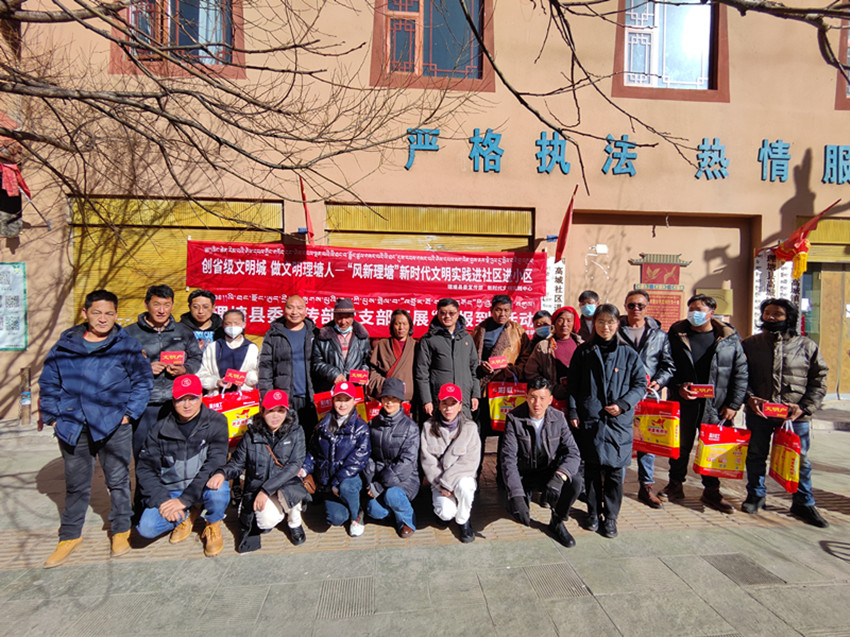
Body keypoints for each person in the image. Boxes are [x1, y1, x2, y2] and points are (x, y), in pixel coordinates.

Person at [39, 290, 154, 568]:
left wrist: (128, 414)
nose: (103, 318)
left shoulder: (127, 346)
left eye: (109, 313)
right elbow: (49, 383)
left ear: (116, 315)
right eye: (97, 312)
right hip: (73, 425)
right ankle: (70, 535)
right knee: (76, 485)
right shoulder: (65, 346)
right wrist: (53, 417)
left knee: (118, 482)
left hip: (113, 425)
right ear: (85, 313)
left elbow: (142, 381)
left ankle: (121, 530)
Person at [741, 298, 829, 527]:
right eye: (767, 313)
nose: (770, 317)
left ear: (788, 317)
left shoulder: (807, 346)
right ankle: (755, 495)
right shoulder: (750, 344)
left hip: (794, 415)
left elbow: (819, 380)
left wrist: (805, 407)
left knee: (800, 460)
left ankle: (803, 502)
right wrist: (749, 398)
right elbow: (740, 376)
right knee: (756, 455)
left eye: (777, 313)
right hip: (760, 413)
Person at [665, 294, 748, 513]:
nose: (694, 313)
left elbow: (740, 373)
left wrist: (734, 405)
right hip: (684, 402)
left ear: (711, 312)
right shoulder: (677, 334)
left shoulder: (728, 338)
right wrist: (678, 387)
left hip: (717, 405)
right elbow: (666, 366)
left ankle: (712, 491)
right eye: (691, 309)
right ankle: (675, 485)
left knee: (712, 448)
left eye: (699, 309)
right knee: (679, 447)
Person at [568, 304, 645, 538]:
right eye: (601, 322)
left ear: (618, 324)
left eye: (610, 322)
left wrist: (623, 404)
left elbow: (640, 384)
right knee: (591, 470)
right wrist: (574, 412)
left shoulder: (628, 353)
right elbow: (573, 385)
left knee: (614, 473)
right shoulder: (584, 352)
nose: (606, 327)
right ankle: (593, 513)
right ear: (594, 324)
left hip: (617, 422)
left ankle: (611, 518)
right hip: (591, 419)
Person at [135, 375, 230, 557]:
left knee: (219, 490)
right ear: (173, 401)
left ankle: (213, 523)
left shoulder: (217, 421)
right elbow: (145, 469)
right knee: (147, 528)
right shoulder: (159, 429)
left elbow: (215, 462)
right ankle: (186, 514)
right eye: (181, 399)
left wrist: (184, 500)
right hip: (172, 490)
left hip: (203, 486)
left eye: (192, 398)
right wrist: (163, 501)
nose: (187, 405)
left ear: (201, 397)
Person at [208, 389, 309, 552]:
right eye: (271, 410)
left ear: (287, 412)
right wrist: (222, 473)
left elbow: (294, 465)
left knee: (292, 493)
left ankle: (294, 523)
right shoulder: (251, 434)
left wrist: (265, 491)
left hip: (285, 484)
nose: (276, 416)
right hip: (259, 486)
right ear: (262, 411)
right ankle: (278, 511)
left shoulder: (296, 432)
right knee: (265, 522)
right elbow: (237, 464)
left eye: (281, 410)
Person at [500, 377, 582, 547]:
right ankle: (522, 497)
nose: (537, 403)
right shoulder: (514, 418)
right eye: (533, 397)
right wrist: (516, 494)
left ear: (550, 400)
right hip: (524, 473)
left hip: (548, 471)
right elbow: (508, 459)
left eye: (542, 398)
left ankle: (557, 521)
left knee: (575, 481)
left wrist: (560, 476)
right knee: (517, 510)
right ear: (526, 397)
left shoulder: (558, 417)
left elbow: (573, 452)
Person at [125, 284, 202, 458]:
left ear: (172, 305)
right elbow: (119, 365)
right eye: (156, 305)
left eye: (166, 305)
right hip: (144, 404)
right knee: (144, 453)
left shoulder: (183, 331)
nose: (162, 310)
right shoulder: (130, 333)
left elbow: (196, 357)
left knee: (173, 455)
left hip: (175, 403)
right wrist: (144, 369)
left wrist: (185, 369)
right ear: (146, 304)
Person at [616, 290, 675, 508]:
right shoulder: (616, 332)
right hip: (622, 395)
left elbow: (668, 365)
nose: (636, 309)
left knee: (647, 443)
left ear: (647, 307)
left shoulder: (659, 336)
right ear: (625, 307)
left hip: (649, 397)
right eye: (631, 305)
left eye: (640, 305)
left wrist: (658, 382)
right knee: (621, 439)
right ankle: (616, 487)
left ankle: (646, 487)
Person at [302, 381, 371, 536]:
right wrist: (305, 468)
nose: (342, 404)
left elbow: (358, 460)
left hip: (350, 478)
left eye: (347, 400)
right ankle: (347, 503)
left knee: (346, 487)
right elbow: (313, 452)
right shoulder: (322, 424)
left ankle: (357, 515)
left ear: (354, 401)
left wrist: (337, 482)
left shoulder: (361, 427)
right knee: (335, 518)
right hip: (328, 480)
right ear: (333, 400)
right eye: (339, 399)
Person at [472, 295, 529, 471]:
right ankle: (475, 472)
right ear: (491, 310)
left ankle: (504, 474)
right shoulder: (480, 329)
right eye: (498, 310)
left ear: (511, 312)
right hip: (483, 388)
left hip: (506, 388)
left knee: (506, 434)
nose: (502, 314)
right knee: (479, 432)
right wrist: (481, 365)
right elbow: (471, 355)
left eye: (506, 310)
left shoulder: (518, 331)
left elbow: (526, 358)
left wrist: (514, 370)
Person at [420, 383, 480, 543]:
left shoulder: (470, 428)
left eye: (453, 403)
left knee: (466, 487)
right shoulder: (428, 427)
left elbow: (470, 462)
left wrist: (449, 483)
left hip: (461, 478)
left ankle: (463, 520)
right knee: (446, 513)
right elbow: (428, 461)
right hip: (438, 482)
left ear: (460, 406)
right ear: (438, 405)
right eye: (444, 403)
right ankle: (446, 510)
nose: (448, 408)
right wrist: (441, 485)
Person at [363, 378, 420, 537]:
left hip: (405, 478)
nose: (389, 402)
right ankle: (395, 512)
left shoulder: (411, 427)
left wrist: (380, 485)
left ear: (401, 401)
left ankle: (407, 520)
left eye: (394, 399)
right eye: (386, 398)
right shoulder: (373, 424)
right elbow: (368, 455)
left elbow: (407, 462)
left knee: (392, 495)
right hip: (379, 477)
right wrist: (370, 481)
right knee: (372, 509)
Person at [258, 294, 318, 434]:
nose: (294, 312)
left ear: (305, 310)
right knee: (285, 436)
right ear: (284, 309)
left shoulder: (315, 333)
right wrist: (268, 397)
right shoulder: (273, 335)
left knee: (311, 436)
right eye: (290, 307)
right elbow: (265, 368)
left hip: (311, 397)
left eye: (299, 308)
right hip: (283, 398)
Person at [414, 298, 480, 420]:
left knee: (464, 430)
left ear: (458, 314)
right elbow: (422, 373)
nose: (447, 316)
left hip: (463, 400)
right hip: (440, 401)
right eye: (443, 313)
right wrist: (427, 400)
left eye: (451, 313)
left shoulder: (467, 338)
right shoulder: (429, 339)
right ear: (438, 313)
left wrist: (475, 394)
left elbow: (474, 369)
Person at [523, 306, 582, 405]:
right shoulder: (543, 346)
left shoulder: (581, 345)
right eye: (560, 320)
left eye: (569, 321)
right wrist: (550, 388)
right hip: (552, 400)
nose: (564, 324)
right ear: (554, 323)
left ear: (574, 323)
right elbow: (531, 372)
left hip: (578, 398)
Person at [312, 298, 371, 393]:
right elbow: (316, 363)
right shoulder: (323, 336)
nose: (343, 322)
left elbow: (366, 361)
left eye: (347, 317)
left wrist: (364, 372)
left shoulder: (362, 337)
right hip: (330, 388)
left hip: (354, 389)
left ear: (353, 316)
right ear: (334, 316)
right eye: (340, 317)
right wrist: (333, 374)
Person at [197, 309, 259, 393]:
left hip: (244, 397)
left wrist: (244, 378)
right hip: (218, 396)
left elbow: (259, 372)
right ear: (223, 325)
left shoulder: (252, 348)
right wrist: (216, 382)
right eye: (228, 323)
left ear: (243, 324)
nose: (232, 326)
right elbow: (201, 374)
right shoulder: (213, 347)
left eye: (236, 323)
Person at [367, 308, 416, 402]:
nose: (401, 327)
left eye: (404, 324)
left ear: (410, 325)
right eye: (397, 324)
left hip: (408, 397)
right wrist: (383, 384)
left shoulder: (416, 346)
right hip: (386, 395)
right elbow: (373, 370)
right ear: (392, 325)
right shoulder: (382, 344)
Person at [516, 309, 552, 378]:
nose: (542, 327)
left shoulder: (557, 341)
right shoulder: (531, 345)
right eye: (538, 325)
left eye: (545, 324)